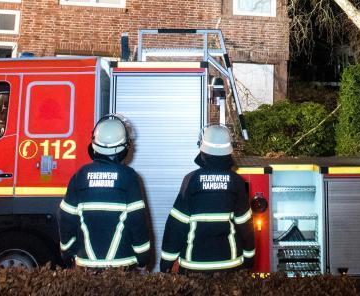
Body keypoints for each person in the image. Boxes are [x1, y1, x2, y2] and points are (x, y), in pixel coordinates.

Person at [58, 115, 150, 270]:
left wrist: (67, 253)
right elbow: (137, 222)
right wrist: (143, 258)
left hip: (85, 266)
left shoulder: (79, 176)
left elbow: (65, 219)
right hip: (122, 267)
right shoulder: (130, 177)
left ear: (94, 144)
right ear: (124, 148)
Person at [160, 124, 255, 274]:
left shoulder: (191, 180)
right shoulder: (237, 181)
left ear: (202, 149)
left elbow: (176, 225)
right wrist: (249, 257)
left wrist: (167, 261)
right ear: (229, 150)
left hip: (194, 266)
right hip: (229, 265)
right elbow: (245, 225)